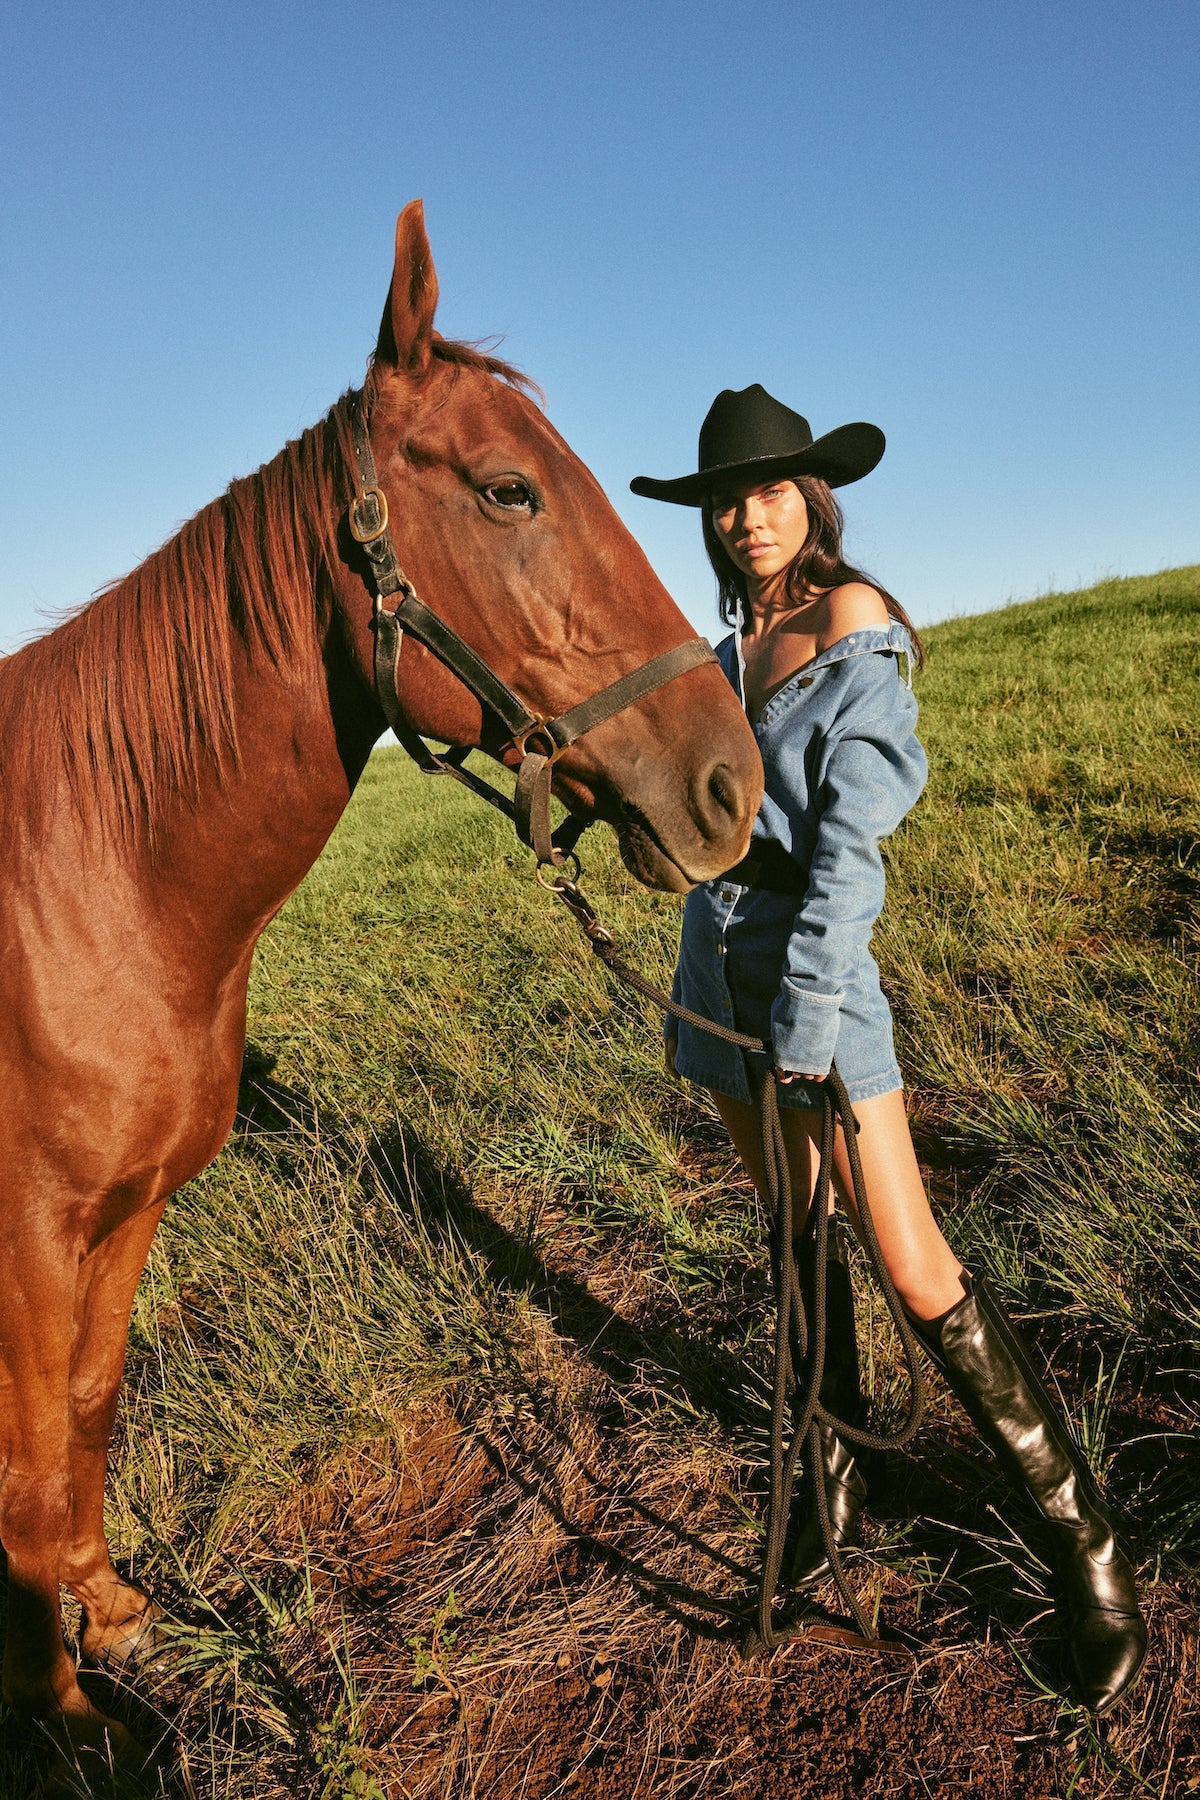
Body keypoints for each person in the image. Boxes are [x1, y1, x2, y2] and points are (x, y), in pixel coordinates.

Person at [629, 384, 1146, 1713]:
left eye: (771, 492)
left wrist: (808, 1022)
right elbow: (704, 823)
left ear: (813, 498)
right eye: (728, 500)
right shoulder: (721, 649)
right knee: (795, 1237)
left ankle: (1082, 1542)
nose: (749, 518)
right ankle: (832, 1496)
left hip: (821, 988)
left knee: (911, 1261)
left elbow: (849, 861)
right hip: (719, 985)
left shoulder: (854, 625)